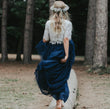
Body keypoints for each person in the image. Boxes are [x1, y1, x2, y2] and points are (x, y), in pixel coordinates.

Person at [34, 1, 75, 109]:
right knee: (62, 76)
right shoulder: (68, 24)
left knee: (54, 76)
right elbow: (66, 39)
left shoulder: (48, 23)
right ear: (65, 11)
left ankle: (58, 101)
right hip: (63, 50)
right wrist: (66, 55)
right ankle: (59, 101)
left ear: (53, 10)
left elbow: (45, 39)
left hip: (51, 50)